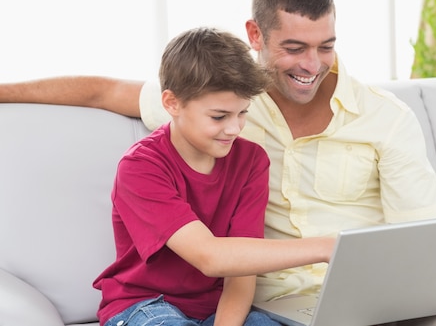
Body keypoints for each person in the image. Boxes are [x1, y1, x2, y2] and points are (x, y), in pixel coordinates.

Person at [0, 0, 436, 326]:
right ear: (255, 35)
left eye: (326, 46)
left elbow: (426, 240)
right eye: (294, 48)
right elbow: (102, 92)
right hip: (249, 302)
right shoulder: (219, 100)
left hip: (350, 301)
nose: (312, 64)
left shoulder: (378, 122)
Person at [93, 26, 334, 326]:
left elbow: (242, 271)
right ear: (172, 103)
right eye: (219, 117)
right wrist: (325, 247)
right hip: (144, 305)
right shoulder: (141, 167)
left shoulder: (251, 161)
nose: (234, 128)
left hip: (214, 309)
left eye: (243, 113)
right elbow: (210, 257)